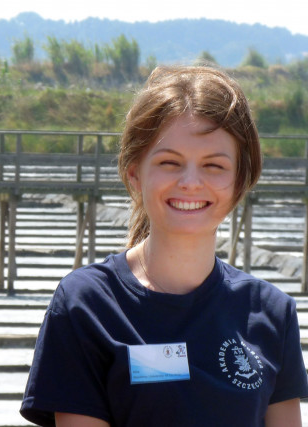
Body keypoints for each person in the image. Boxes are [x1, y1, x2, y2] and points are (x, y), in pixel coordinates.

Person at [20, 66, 308, 426]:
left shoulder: (272, 313)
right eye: (169, 163)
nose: (190, 182)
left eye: (214, 165)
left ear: (240, 181)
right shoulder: (86, 304)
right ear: (135, 175)